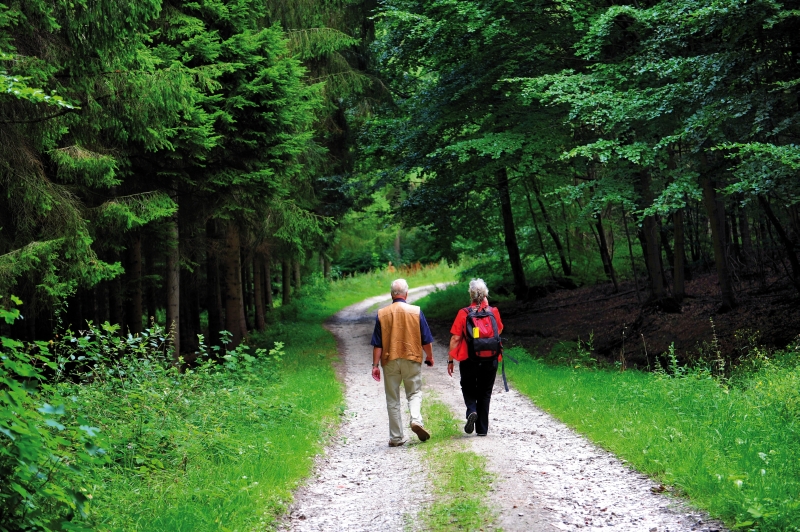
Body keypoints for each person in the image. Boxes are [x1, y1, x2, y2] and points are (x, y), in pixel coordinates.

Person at [370, 279, 435, 446]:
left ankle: (396, 437)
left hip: (389, 360)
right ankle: (416, 420)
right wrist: (430, 356)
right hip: (411, 358)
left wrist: (375, 365)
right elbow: (426, 340)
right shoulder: (416, 312)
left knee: (392, 398)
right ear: (406, 294)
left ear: (392, 294)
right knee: (414, 393)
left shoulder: (382, 314)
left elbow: (378, 344)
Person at [447, 279, 504, 436]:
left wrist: (450, 359)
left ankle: (472, 410)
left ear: (470, 295)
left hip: (469, 358)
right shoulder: (494, 312)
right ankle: (482, 430)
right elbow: (498, 331)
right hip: (490, 358)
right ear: (485, 294)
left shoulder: (463, 313)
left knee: (468, 386)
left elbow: (455, 339)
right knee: (485, 392)